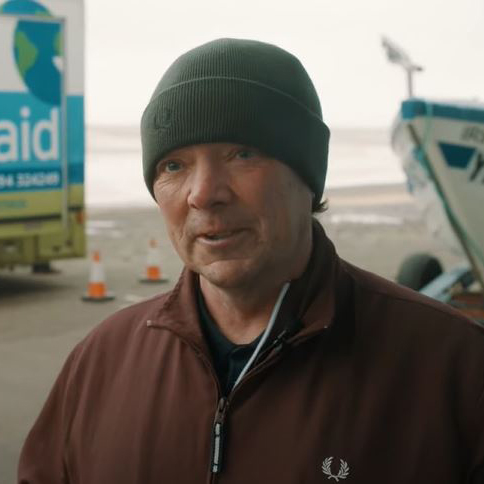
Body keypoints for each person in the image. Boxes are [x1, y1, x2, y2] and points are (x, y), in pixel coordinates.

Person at [18, 38, 484, 484]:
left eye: (242, 154)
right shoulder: (101, 362)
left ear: (308, 177)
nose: (203, 194)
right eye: (173, 166)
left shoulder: (452, 367)